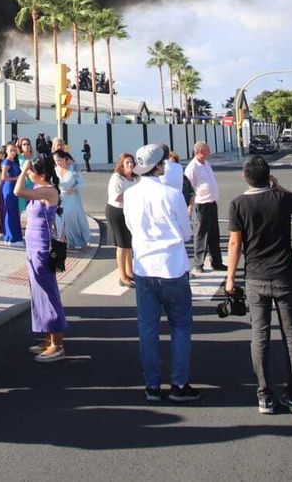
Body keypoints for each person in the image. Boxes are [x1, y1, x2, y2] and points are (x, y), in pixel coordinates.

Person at [225, 154, 292, 414]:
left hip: (256, 278)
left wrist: (230, 278)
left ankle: (265, 394)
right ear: (269, 176)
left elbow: (234, 244)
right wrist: (279, 187)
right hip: (284, 276)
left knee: (259, 337)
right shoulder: (282, 199)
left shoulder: (238, 204)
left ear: (245, 177)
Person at [125, 143, 198, 403]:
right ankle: (179, 384)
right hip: (173, 267)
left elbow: (131, 227)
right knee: (180, 326)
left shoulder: (131, 195)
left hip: (144, 267)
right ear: (158, 166)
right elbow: (187, 232)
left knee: (148, 329)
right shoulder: (172, 194)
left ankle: (152, 386)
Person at [16, 155, 68, 360]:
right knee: (38, 291)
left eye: (32, 171)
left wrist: (22, 170)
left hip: (42, 247)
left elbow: (17, 191)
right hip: (33, 245)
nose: (29, 173)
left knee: (48, 292)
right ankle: (49, 337)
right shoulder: (39, 191)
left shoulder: (48, 191)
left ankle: (58, 343)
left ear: (43, 174)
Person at [185, 142, 224, 271]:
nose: (210, 151)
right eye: (207, 149)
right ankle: (199, 263)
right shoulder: (192, 167)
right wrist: (190, 204)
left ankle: (216, 262)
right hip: (201, 204)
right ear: (201, 151)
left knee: (214, 234)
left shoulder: (206, 163)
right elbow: (188, 187)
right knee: (201, 234)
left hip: (212, 202)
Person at [107, 153, 138, 288]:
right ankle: (122, 276)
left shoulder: (136, 178)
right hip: (117, 212)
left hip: (130, 212)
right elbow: (116, 197)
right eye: (127, 163)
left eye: (131, 162)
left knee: (129, 244)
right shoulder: (117, 178)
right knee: (122, 244)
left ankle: (130, 271)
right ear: (122, 165)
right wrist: (133, 197)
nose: (130, 164)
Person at [52, 149, 89, 249]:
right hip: (60, 198)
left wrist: (74, 188)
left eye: (59, 160)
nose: (57, 163)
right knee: (60, 220)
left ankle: (77, 240)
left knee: (71, 219)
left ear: (65, 159)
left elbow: (81, 182)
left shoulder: (73, 169)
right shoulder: (55, 171)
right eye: (55, 161)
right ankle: (64, 241)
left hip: (72, 198)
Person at [0, 144, 23, 244]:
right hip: (8, 187)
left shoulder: (14, 161)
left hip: (14, 187)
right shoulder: (7, 162)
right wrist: (15, 179)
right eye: (11, 150)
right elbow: (3, 177)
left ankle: (15, 237)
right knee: (9, 212)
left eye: (14, 150)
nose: (13, 152)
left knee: (14, 212)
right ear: (7, 151)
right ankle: (10, 237)